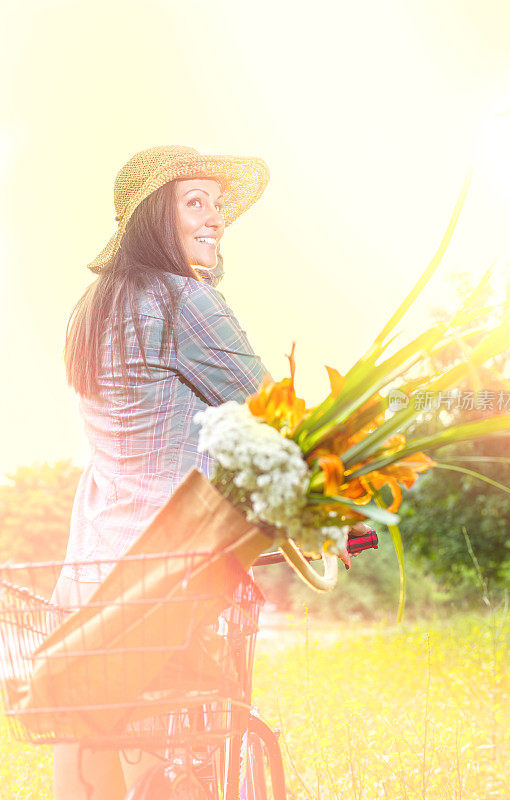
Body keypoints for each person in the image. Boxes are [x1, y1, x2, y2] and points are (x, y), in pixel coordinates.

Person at [53, 145, 273, 799]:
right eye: (194, 201)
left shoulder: (95, 307)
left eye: (219, 203)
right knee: (172, 763)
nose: (216, 219)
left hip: (93, 565)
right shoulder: (183, 301)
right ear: (155, 216)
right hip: (166, 568)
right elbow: (272, 413)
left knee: (87, 741)